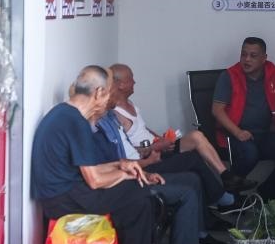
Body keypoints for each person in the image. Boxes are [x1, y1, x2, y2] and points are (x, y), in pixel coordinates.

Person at [30, 65, 160, 244]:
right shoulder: (76, 122)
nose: (109, 100)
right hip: (63, 201)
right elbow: (95, 180)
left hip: (63, 193)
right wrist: (125, 175)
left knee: (135, 191)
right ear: (99, 92)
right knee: (138, 195)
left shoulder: (64, 114)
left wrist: (121, 165)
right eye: (108, 93)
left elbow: (90, 170)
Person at [95, 110, 213, 244]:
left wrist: (148, 155)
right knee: (186, 188)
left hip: (138, 169)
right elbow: (106, 170)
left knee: (192, 178)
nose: (107, 101)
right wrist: (145, 165)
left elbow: (124, 157)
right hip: (130, 179)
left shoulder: (110, 118)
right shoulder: (97, 127)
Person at [109, 63, 256, 194]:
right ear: (120, 85)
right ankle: (224, 197)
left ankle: (226, 176)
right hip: (150, 156)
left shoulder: (130, 103)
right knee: (194, 157)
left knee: (197, 136)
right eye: (131, 79)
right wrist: (156, 146)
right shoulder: (115, 114)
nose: (134, 82)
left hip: (159, 146)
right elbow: (127, 151)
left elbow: (143, 128)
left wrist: (161, 139)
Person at [211, 37, 275, 200]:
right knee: (250, 154)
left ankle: (263, 198)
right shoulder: (229, 76)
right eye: (244, 54)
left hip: (264, 133)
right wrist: (238, 132)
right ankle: (228, 197)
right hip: (235, 134)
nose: (247, 60)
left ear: (264, 58)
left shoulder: (273, 73)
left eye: (253, 56)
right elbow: (217, 111)